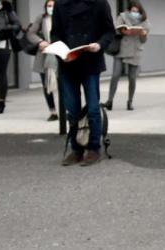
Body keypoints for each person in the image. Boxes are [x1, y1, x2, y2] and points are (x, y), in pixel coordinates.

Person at [52, 0, 116, 166]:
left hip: (90, 61)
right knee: (72, 110)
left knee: (93, 108)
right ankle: (76, 149)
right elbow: (55, 33)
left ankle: (94, 148)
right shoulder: (60, 4)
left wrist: (99, 45)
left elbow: (109, 31)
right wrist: (60, 50)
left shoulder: (100, 3)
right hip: (67, 62)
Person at [103, 1, 151, 111]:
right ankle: (110, 101)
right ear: (129, 10)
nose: (134, 12)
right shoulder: (122, 16)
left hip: (135, 51)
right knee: (115, 75)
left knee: (132, 78)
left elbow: (143, 41)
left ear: (140, 11)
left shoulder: (144, 21)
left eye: (136, 11)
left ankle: (130, 101)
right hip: (121, 49)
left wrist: (143, 34)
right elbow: (114, 29)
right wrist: (122, 31)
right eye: (132, 10)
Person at [26, 0, 60, 121]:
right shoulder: (41, 18)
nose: (51, 8)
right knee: (46, 86)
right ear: (45, 7)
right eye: (49, 6)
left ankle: (68, 110)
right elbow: (31, 33)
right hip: (44, 56)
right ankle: (53, 111)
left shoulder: (63, 16)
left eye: (53, 6)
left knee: (65, 84)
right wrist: (40, 42)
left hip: (60, 54)